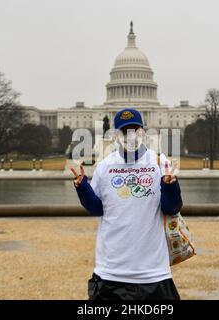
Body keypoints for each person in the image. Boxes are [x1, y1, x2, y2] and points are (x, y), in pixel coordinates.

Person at [71, 108, 183, 300]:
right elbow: (97, 209)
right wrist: (82, 187)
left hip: (153, 272)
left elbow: (172, 208)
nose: (130, 136)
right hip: (111, 271)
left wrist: (170, 185)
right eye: (125, 131)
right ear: (117, 135)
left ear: (143, 132)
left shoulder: (159, 163)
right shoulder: (105, 167)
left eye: (135, 130)